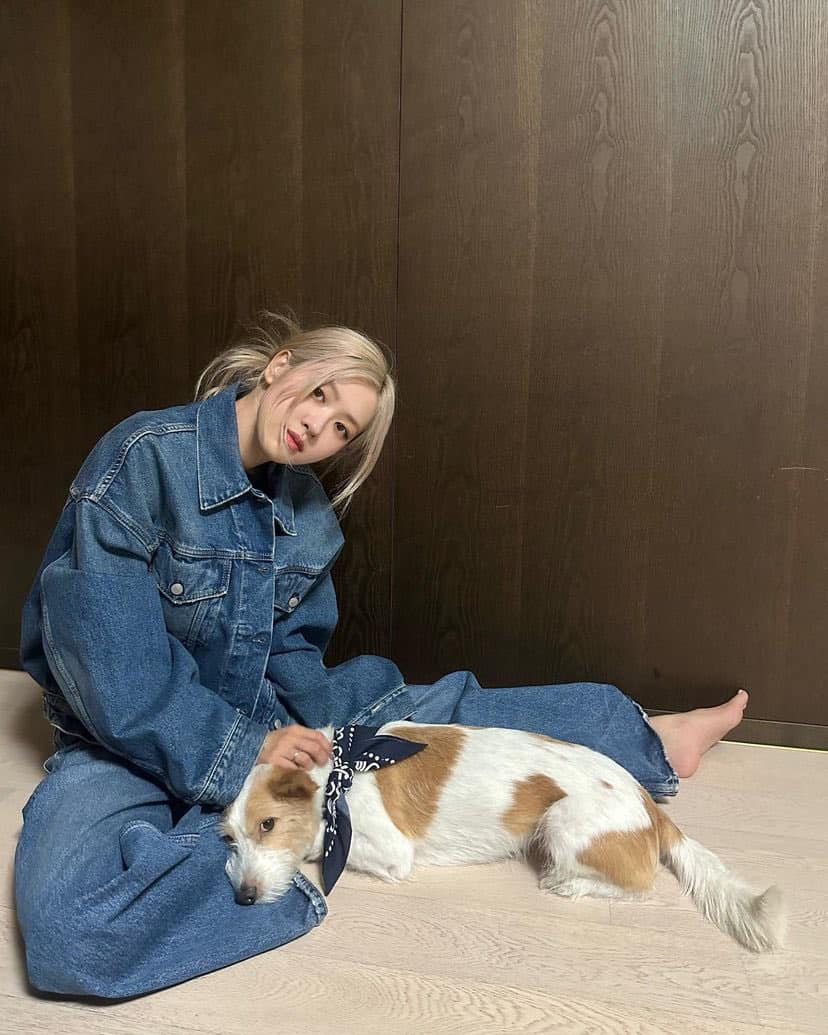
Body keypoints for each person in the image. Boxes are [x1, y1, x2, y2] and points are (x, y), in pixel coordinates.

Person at [14, 312, 748, 999]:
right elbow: (112, 671)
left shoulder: (307, 515)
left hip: (271, 728)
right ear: (279, 366)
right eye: (321, 394)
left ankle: (649, 741)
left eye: (343, 427)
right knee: (69, 937)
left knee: (435, 711)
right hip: (124, 742)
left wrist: (347, 735)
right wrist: (247, 754)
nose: (318, 426)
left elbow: (294, 655)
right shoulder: (142, 460)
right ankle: (250, 855)